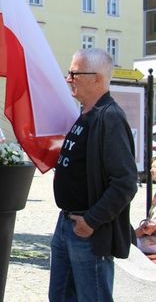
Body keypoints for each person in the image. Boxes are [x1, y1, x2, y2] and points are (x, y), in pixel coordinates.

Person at [49, 48, 138, 301]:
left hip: (88, 231)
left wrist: (91, 221)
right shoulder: (86, 113)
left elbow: (125, 182)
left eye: (74, 74)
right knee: (60, 296)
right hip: (66, 224)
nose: (68, 79)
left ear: (97, 78)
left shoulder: (109, 117)